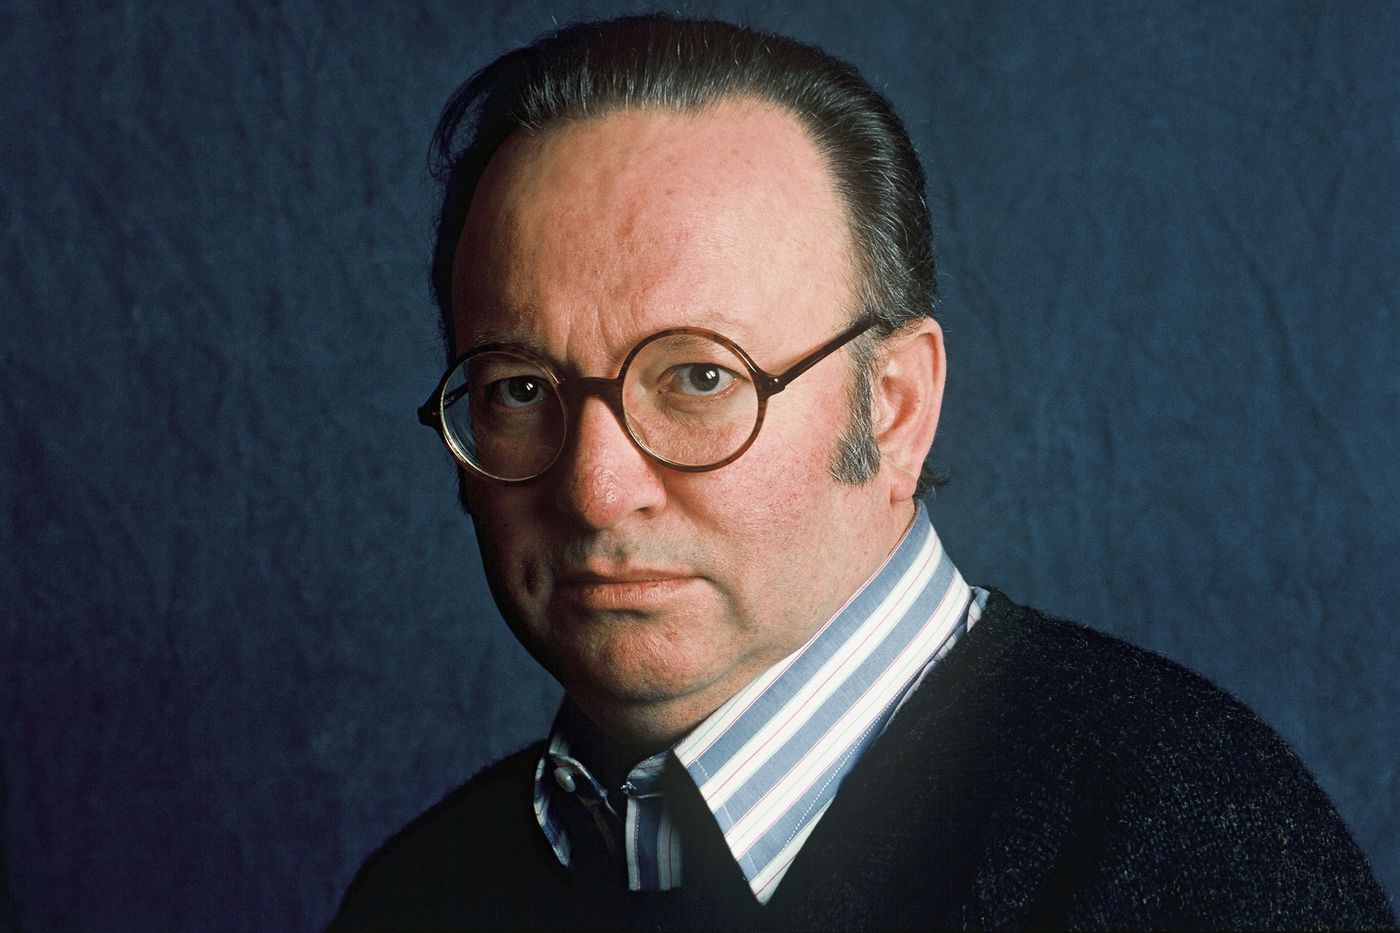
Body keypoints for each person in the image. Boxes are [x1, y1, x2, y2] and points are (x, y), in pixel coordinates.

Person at [331, 14, 1395, 931]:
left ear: (893, 407)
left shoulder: (1186, 853)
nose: (597, 490)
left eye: (699, 377)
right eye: (519, 389)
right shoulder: (421, 895)